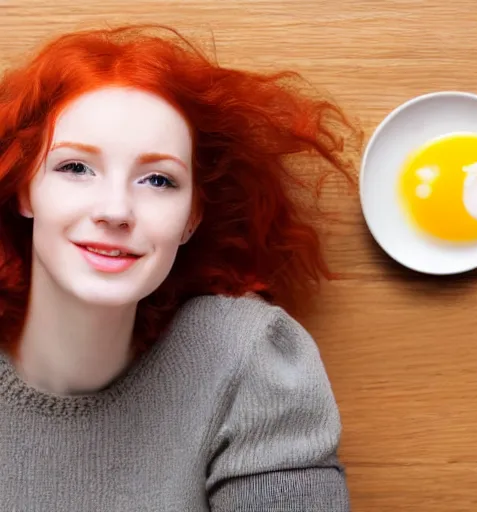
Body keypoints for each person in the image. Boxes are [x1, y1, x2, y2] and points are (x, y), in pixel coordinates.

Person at [0, 23, 359, 511]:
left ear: (192, 218)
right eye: (75, 168)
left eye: (157, 179)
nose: (115, 210)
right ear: (24, 189)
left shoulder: (242, 358)